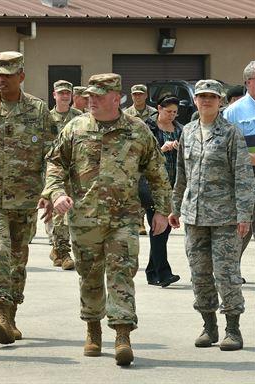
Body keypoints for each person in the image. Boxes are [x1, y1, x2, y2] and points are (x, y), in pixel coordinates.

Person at [43, 73, 172, 366]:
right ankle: (92, 327)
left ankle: (123, 333)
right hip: (84, 218)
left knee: (121, 273)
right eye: (89, 96)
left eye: (99, 96)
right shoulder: (75, 128)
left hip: (124, 218)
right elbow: (55, 163)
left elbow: (157, 173)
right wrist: (56, 193)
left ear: (116, 98)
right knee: (89, 276)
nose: (91, 101)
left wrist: (163, 210)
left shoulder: (138, 130)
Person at [0, 51, 55, 345]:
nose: (1, 79)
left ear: (21, 76)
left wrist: (50, 193)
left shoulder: (38, 110)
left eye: (7, 74)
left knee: (18, 260)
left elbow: (50, 156)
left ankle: (12, 314)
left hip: (26, 198)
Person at [170, 80, 255, 352]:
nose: (206, 101)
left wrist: (244, 215)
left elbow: (244, 177)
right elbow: (181, 174)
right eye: (201, 97)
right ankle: (209, 326)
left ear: (220, 101)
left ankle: (233, 328)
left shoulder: (231, 133)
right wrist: (174, 207)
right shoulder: (189, 132)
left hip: (225, 218)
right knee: (200, 274)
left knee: (226, 273)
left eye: (211, 97)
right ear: (195, 101)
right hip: (194, 217)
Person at [140, 95, 182, 287]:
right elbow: (141, 154)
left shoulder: (180, 129)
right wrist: (161, 149)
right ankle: (163, 273)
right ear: (159, 109)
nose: (171, 115)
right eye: (168, 111)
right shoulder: (148, 128)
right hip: (152, 185)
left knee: (162, 230)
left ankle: (152, 272)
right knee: (159, 227)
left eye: (174, 112)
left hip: (174, 186)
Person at [48, 80, 83, 270]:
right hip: (55, 171)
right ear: (54, 95)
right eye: (60, 93)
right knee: (60, 213)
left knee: (72, 211)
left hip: (76, 171)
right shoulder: (47, 118)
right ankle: (62, 252)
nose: (64, 96)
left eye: (67, 93)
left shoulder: (79, 118)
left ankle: (58, 250)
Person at [224, 61, 255, 255]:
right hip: (246, 175)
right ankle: (230, 269)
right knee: (242, 228)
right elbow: (224, 148)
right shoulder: (234, 111)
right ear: (248, 82)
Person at [125, 84, 158, 236]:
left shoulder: (154, 114)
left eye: (140, 94)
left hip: (151, 154)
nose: (137, 97)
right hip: (134, 155)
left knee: (150, 188)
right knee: (136, 188)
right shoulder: (126, 114)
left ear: (146, 96)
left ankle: (154, 218)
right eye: (135, 94)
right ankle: (139, 222)